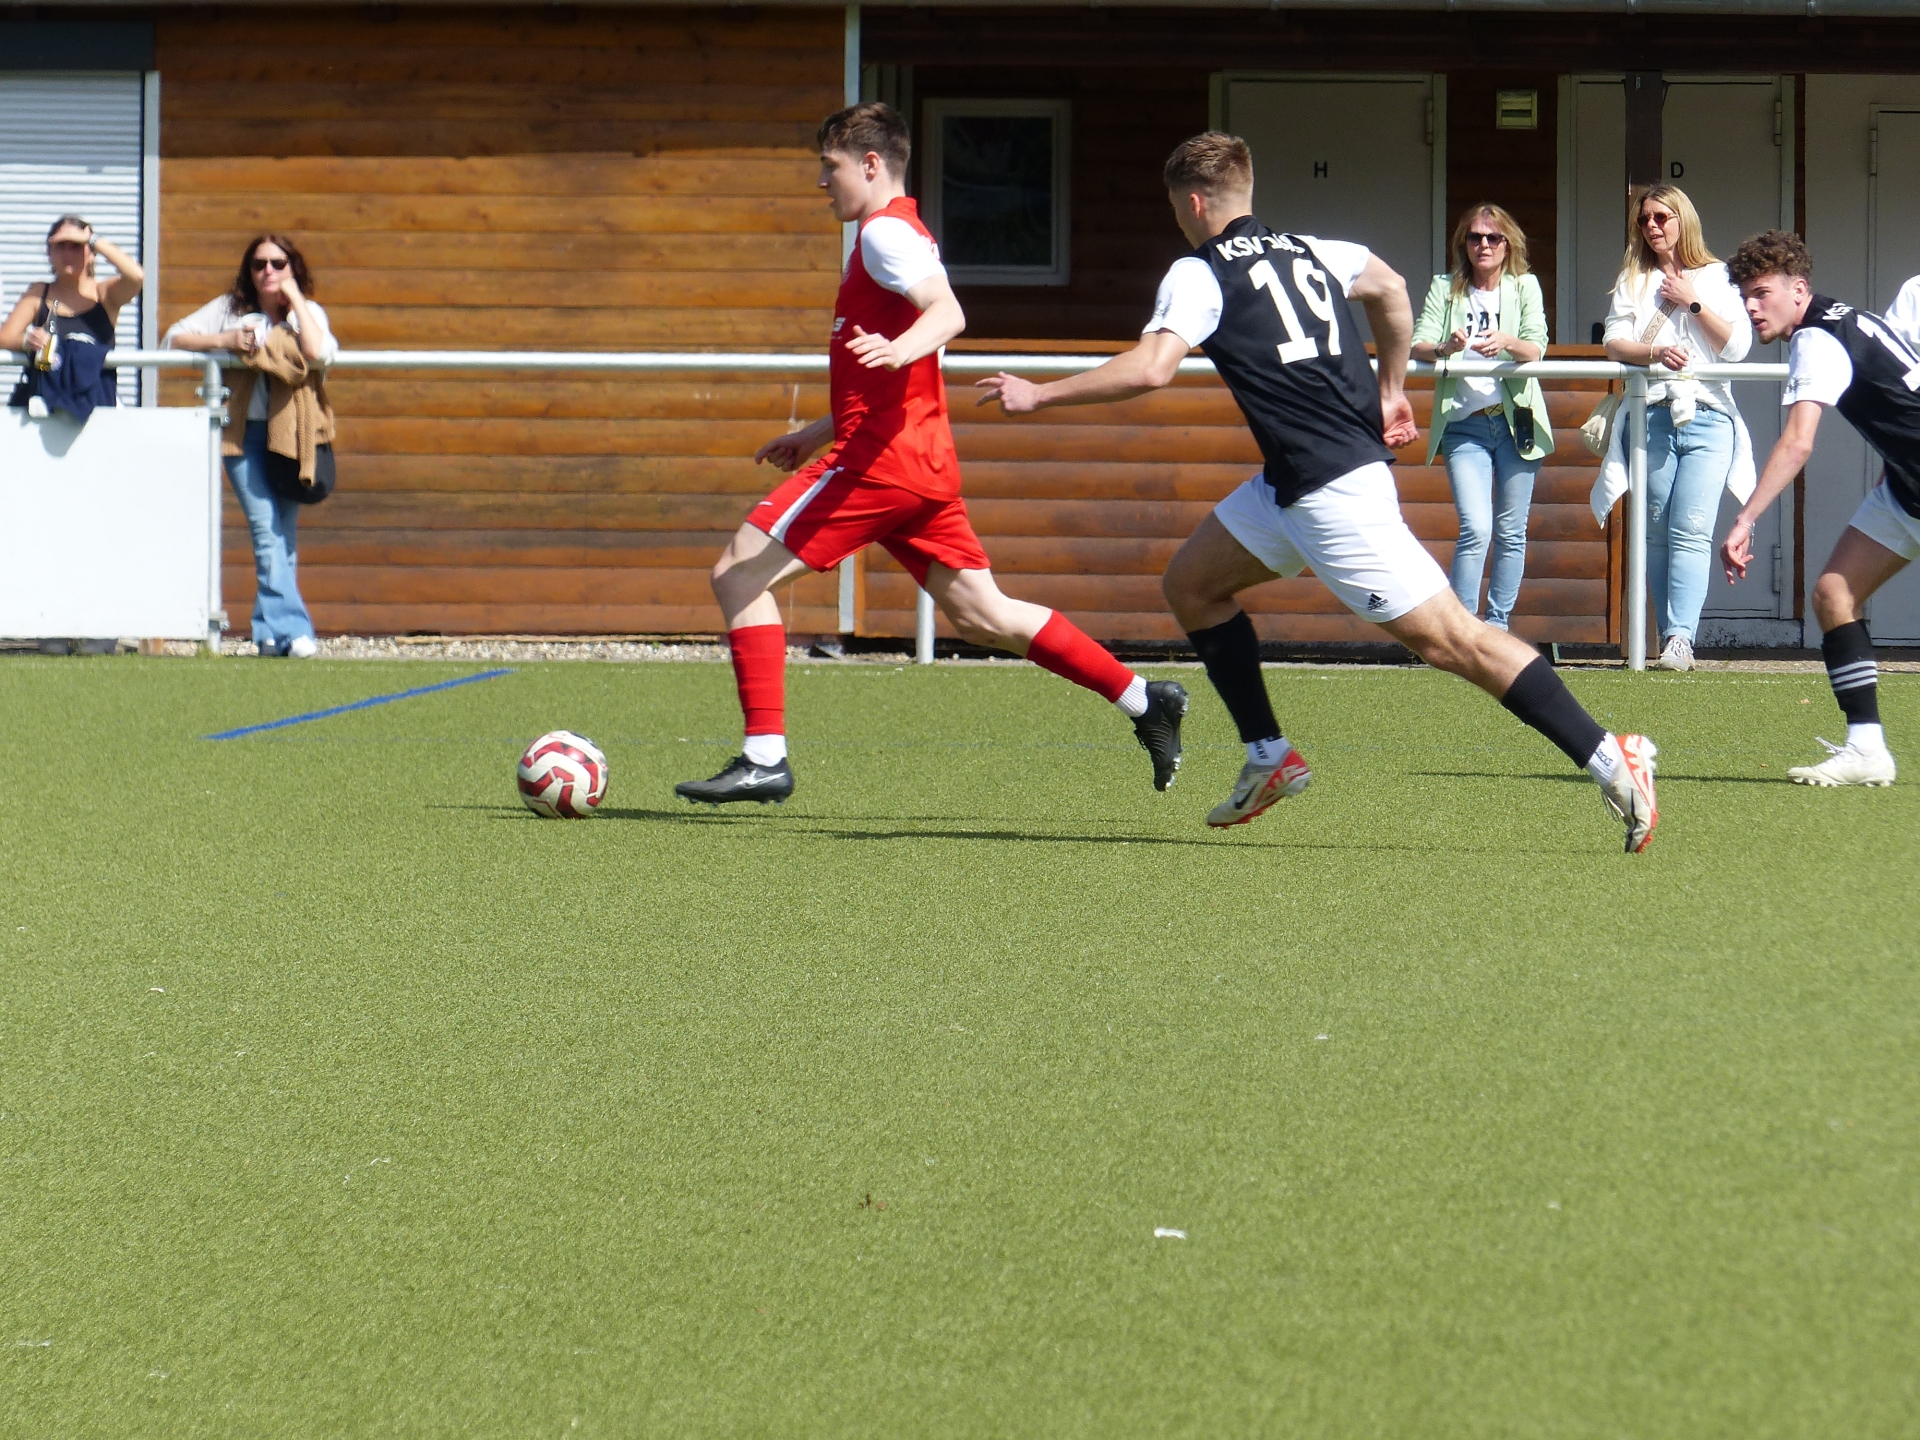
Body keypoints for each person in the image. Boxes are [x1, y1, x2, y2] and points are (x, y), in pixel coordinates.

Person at [978, 132, 1660, 852]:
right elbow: (1391, 288)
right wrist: (1391, 388)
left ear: (1195, 203)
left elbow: (1152, 368)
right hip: (1292, 482)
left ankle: (1612, 758)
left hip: (1331, 493)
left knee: (1454, 640)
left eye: (1176, 207)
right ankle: (1268, 755)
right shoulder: (1311, 249)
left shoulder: (1198, 272)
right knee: (1193, 584)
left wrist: (1040, 394)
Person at [673, 102, 1187, 807]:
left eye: (829, 167)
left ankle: (765, 757)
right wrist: (817, 430)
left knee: (738, 574)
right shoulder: (898, 234)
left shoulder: (884, 234)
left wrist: (897, 349)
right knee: (983, 616)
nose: (822, 182)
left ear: (870, 164)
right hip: (919, 464)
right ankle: (1144, 699)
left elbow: (948, 313)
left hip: (879, 465)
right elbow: (891, 372)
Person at [1722, 230, 1915, 787]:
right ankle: (1866, 749)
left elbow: (1797, 443)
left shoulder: (1815, 338)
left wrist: (1745, 517)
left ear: (1799, 289)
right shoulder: (1845, 317)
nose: (1752, 307)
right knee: (1834, 594)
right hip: (1906, 489)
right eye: (1745, 296)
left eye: (1762, 293)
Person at [1600, 185, 1755, 672]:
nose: (1652, 226)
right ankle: (1668, 638)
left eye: (1661, 217)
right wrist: (1654, 353)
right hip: (1651, 413)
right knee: (1654, 529)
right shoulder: (1633, 279)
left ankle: (1680, 639)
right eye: (1644, 219)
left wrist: (1692, 302)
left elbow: (1738, 348)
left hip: (1709, 416)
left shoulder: (1718, 276)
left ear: (1682, 219)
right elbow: (1613, 342)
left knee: (1691, 528)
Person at [165, 235, 337, 659]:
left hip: (292, 435)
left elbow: (316, 351)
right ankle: (295, 630)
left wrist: (294, 299)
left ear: (292, 268)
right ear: (249, 270)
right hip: (241, 435)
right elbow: (174, 338)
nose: (269, 271)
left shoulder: (307, 312)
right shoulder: (230, 309)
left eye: (279, 263)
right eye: (260, 264)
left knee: (283, 536)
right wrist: (225, 341)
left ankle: (267, 633)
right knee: (266, 531)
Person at [1, 215, 145, 655]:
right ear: (48, 251)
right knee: (51, 524)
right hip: (47, 428)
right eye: (60, 245)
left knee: (99, 524)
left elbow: (136, 277)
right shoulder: (38, 293)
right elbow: (6, 337)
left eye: (76, 245)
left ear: (90, 250)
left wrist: (95, 239)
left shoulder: (105, 294)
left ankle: (100, 627)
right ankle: (54, 625)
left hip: (98, 426)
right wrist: (29, 340)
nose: (69, 253)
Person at [1411, 204, 1553, 631]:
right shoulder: (1445, 288)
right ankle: (1462, 630)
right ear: (1464, 244)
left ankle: (1497, 625)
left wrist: (1508, 341)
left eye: (1493, 238)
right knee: (1475, 527)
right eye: (1475, 237)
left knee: (1511, 531)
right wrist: (1446, 348)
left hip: (1516, 423)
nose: (1484, 245)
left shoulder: (1524, 286)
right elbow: (1419, 343)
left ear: (1508, 245)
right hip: (1464, 425)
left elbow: (1536, 347)